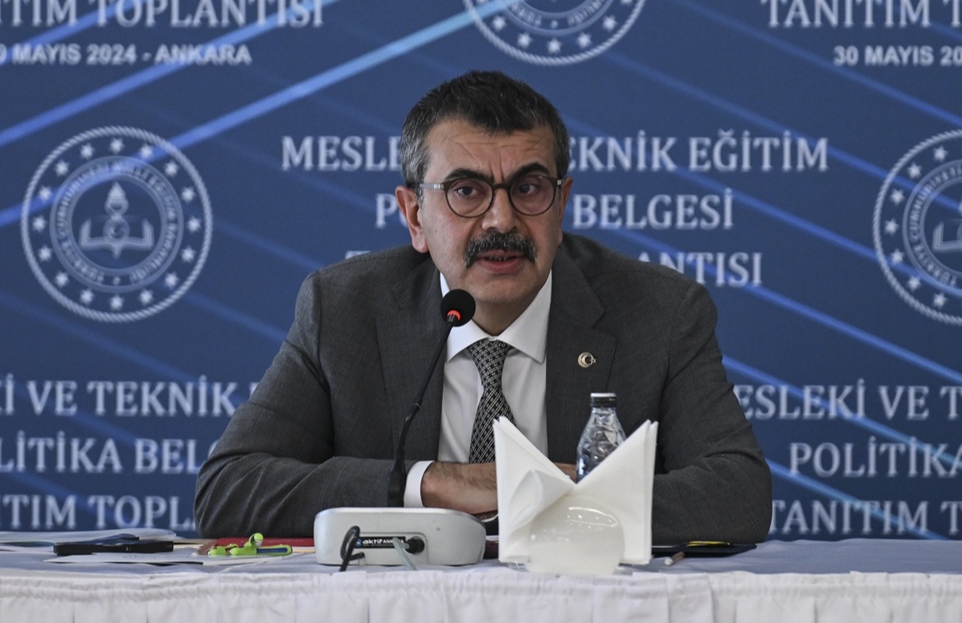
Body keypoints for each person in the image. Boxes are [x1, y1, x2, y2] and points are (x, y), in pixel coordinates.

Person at [195, 70, 771, 544]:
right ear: (414, 216)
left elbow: (740, 495)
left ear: (561, 204)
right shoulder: (345, 308)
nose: (501, 220)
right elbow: (228, 490)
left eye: (528, 188)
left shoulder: (660, 311)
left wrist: (569, 497)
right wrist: (432, 484)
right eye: (466, 191)